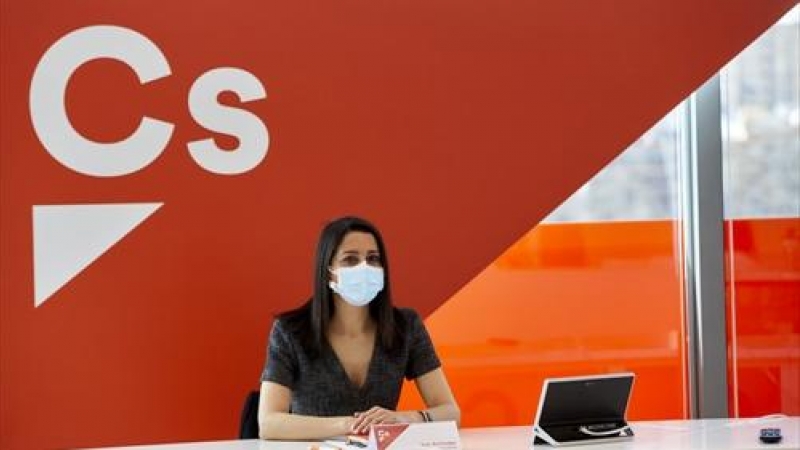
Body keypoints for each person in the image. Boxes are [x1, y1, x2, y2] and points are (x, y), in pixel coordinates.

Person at [258, 216, 460, 440]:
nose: (364, 267)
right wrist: (349, 424)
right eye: (350, 259)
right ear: (328, 271)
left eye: (373, 259)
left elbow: (451, 412)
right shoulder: (290, 331)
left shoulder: (406, 326)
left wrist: (405, 419)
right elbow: (269, 423)